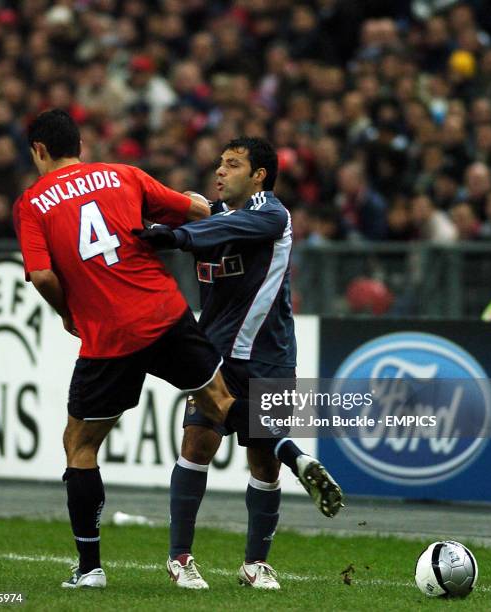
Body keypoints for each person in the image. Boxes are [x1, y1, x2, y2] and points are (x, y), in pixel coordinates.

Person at [13, 109, 242, 590]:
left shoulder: (33, 203)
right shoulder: (123, 175)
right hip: (163, 315)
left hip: (108, 339)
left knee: (80, 446)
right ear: (79, 144)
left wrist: (65, 313)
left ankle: (91, 569)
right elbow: (196, 211)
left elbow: (41, 274)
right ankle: (289, 452)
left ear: (39, 151)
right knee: (221, 402)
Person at [139, 137, 344, 590]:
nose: (220, 171)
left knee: (261, 462)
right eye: (219, 163)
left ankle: (255, 564)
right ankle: (180, 558)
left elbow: (222, 230)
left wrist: (175, 236)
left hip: (271, 357)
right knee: (197, 444)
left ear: (259, 176)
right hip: (214, 355)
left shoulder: (273, 215)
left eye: (233, 165)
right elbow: (190, 209)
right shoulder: (210, 214)